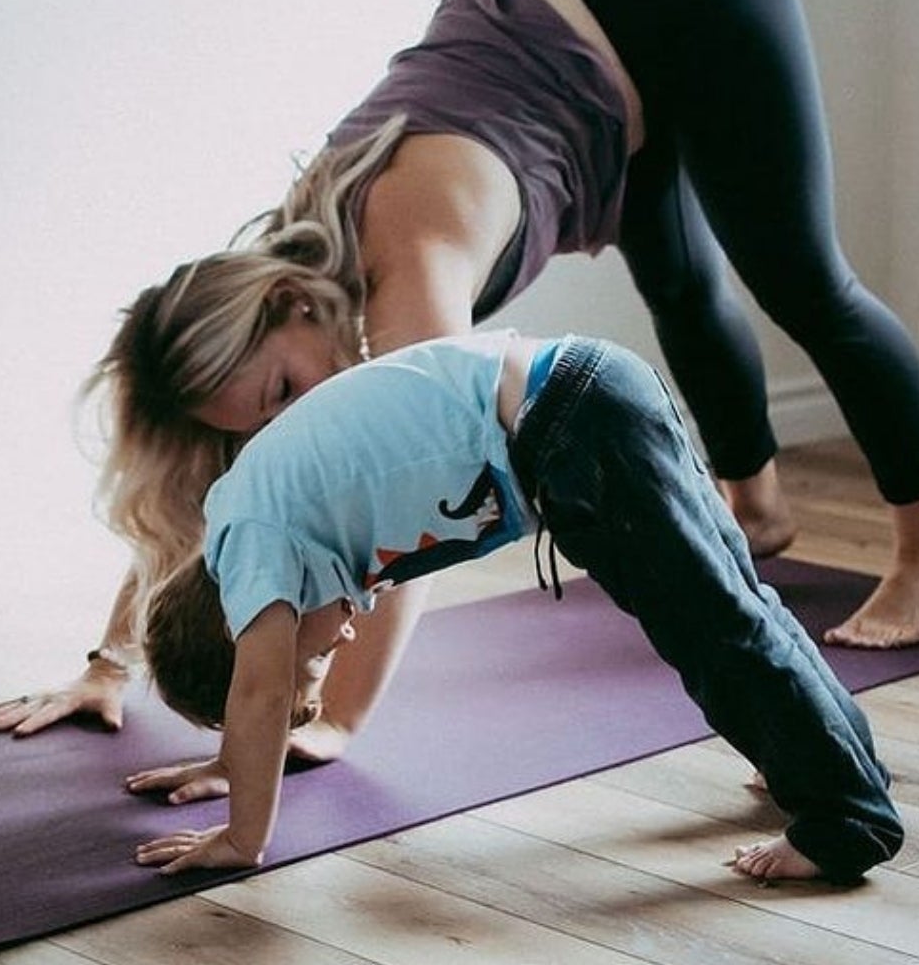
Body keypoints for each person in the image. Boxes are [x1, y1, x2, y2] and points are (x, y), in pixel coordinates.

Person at [0, 0, 919, 759]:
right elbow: (211, 492)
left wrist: (337, 722)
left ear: (288, 304)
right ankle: (756, 506)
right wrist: (110, 665)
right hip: (586, 42)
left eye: (281, 395)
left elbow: (421, 518)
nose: (284, 424)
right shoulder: (285, 284)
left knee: (805, 285)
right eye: (260, 419)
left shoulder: (407, 267)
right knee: (679, 285)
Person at [128, 328, 901, 883]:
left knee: (716, 627)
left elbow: (258, 689)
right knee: (730, 609)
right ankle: (832, 759)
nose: (348, 630)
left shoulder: (251, 540)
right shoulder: (269, 519)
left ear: (249, 617)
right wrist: (235, 760)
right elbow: (259, 686)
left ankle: (845, 822)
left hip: (567, 423)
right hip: (582, 400)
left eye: (318, 652)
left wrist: (242, 838)